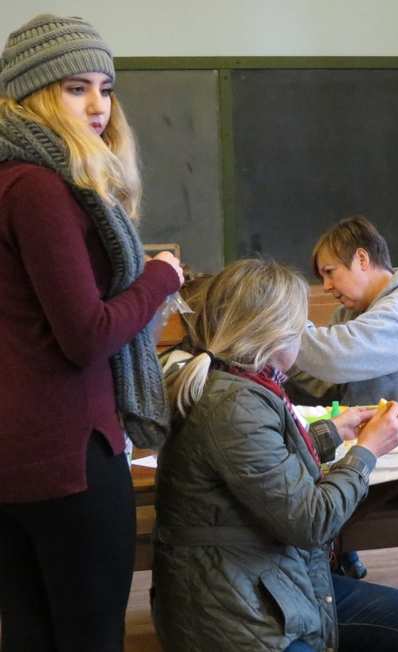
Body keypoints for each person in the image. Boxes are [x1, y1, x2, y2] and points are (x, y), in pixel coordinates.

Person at [0, 15, 185, 651]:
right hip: (68, 457)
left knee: (30, 635)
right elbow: (86, 334)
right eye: (76, 88)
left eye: (105, 88)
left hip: (18, 457)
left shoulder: (8, 179)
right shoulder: (40, 188)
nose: (99, 106)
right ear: (32, 94)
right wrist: (160, 276)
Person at [151, 259, 398, 652]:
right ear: (273, 336)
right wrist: (366, 451)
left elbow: (259, 460)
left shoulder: (236, 385)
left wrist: (334, 431)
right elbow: (311, 522)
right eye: (299, 330)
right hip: (231, 605)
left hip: (260, 577)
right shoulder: (235, 403)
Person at [292, 214, 398, 405]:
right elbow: (327, 378)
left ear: (362, 259)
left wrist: (276, 327)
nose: (326, 286)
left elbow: (338, 359)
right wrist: (278, 357)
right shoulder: (350, 313)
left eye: (329, 272)